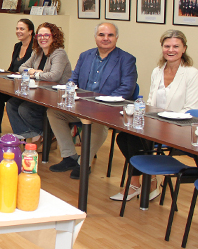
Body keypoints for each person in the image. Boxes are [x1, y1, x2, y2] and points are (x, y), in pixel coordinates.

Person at [110, 30, 198, 201]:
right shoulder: (158, 70)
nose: (171, 50)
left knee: (134, 140)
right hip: (157, 124)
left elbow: (191, 109)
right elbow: (151, 102)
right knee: (124, 137)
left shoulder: (192, 74)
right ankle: (150, 179)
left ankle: (135, 184)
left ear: (184, 49)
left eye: (176, 46)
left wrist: (163, 120)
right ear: (162, 48)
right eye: (167, 46)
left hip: (180, 128)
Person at [48, 22, 138, 179]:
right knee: (54, 112)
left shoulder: (127, 59)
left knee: (96, 121)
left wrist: (101, 103)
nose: (105, 38)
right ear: (95, 37)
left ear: (116, 37)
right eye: (101, 35)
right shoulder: (85, 56)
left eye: (110, 35)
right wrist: (69, 91)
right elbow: (73, 80)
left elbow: (127, 89)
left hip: (107, 111)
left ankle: (84, 163)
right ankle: (69, 156)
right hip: (81, 107)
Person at [6, 23, 72, 147]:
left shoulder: (59, 53)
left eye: (46, 35)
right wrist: (36, 72)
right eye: (40, 35)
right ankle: (30, 135)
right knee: (11, 105)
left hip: (55, 95)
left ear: (54, 37)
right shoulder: (38, 52)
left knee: (25, 109)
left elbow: (54, 76)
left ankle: (48, 135)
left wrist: (34, 74)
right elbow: (22, 67)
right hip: (38, 92)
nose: (43, 38)